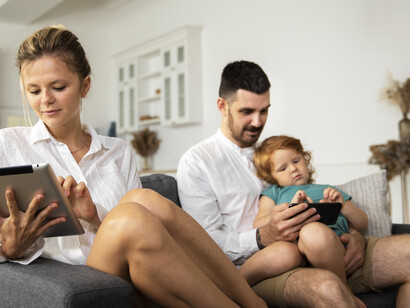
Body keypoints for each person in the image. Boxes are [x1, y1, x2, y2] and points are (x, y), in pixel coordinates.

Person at [0, 26, 267, 308]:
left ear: (85, 86)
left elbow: (148, 233)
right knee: (130, 213)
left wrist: (93, 216)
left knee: (142, 200)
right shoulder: (8, 144)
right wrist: (8, 248)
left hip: (139, 269)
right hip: (86, 276)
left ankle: (253, 303)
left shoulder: (118, 151)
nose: (45, 100)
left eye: (58, 87)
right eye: (34, 90)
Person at [177, 60, 410, 308]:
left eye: (264, 110)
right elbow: (205, 244)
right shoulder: (198, 162)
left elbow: (320, 198)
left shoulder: (274, 155)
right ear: (222, 106)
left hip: (324, 247)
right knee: (330, 291)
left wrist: (354, 235)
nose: (258, 122)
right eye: (247, 112)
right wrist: (262, 236)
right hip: (266, 266)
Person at [240, 135, 368, 298]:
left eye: (295, 161)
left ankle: (344, 292)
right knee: (282, 252)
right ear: (272, 177)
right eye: (283, 168)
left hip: (329, 249)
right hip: (293, 248)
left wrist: (341, 205)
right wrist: (287, 210)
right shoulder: (274, 193)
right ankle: (235, 285)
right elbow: (258, 224)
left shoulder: (327, 189)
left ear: (305, 159)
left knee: (313, 233)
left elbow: (362, 222)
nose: (293, 169)